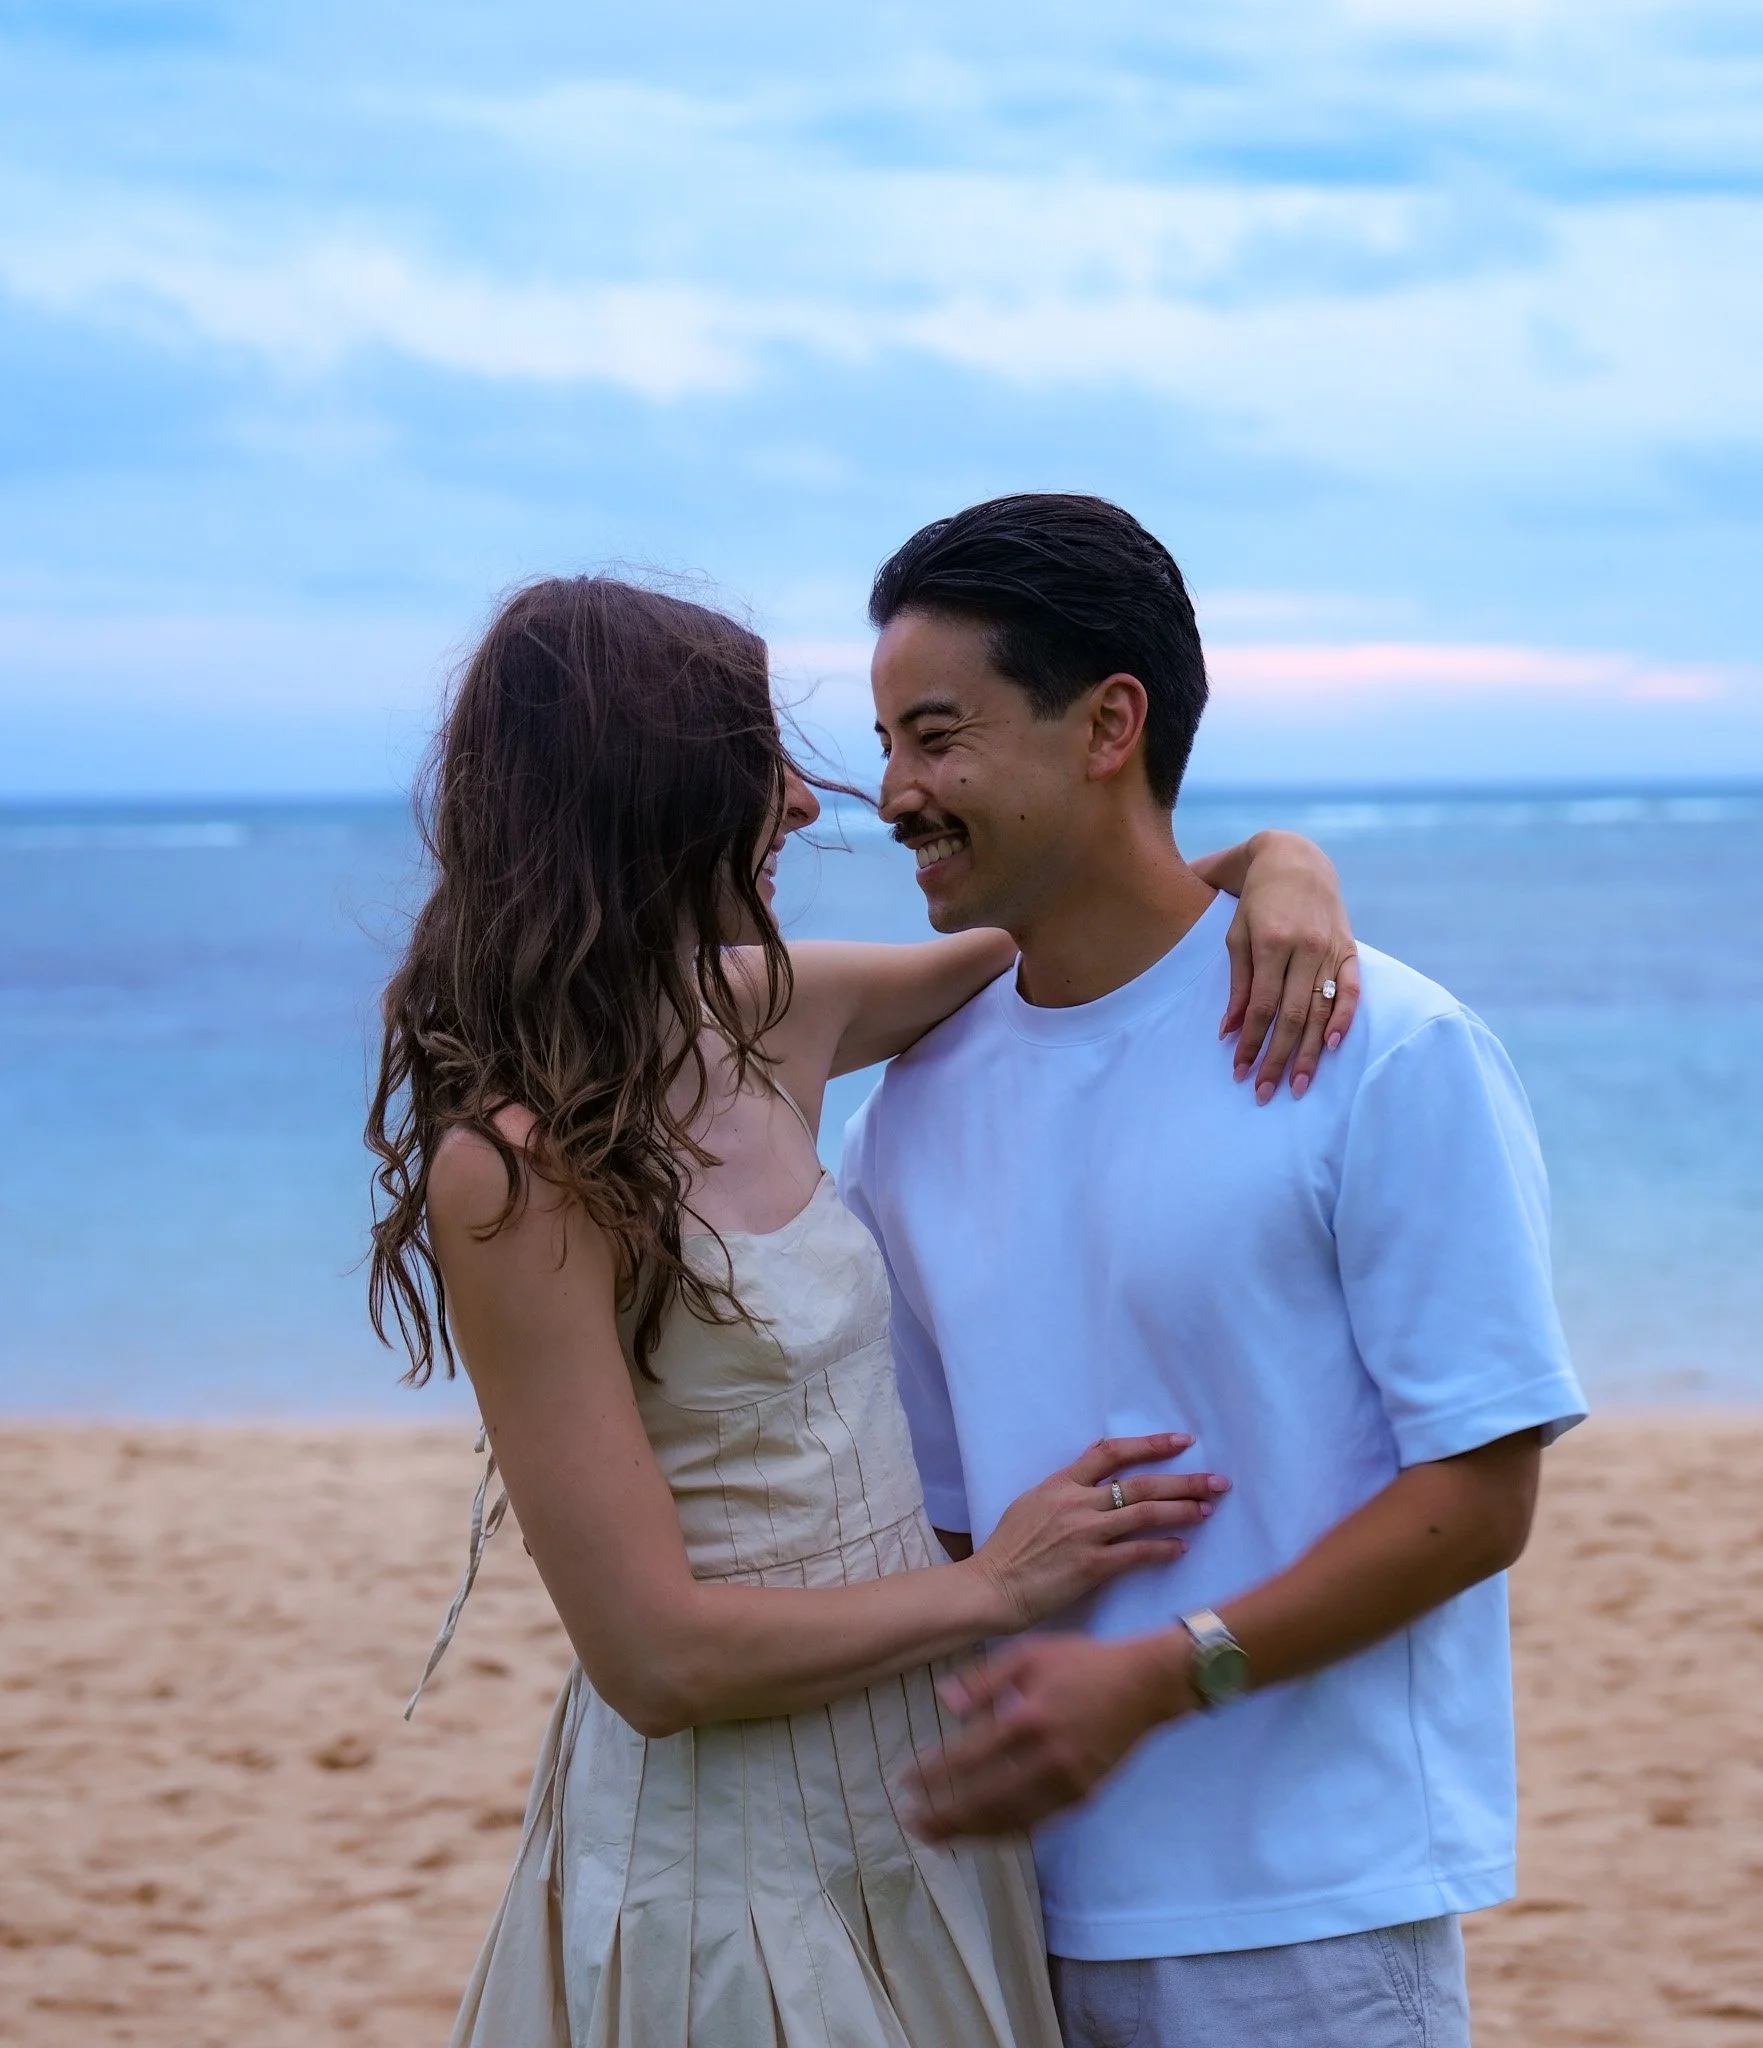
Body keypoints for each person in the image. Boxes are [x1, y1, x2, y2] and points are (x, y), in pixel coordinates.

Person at [366, 573, 1361, 2047]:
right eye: (756, 766)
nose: (809, 807)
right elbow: (654, 1660)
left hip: (919, 1791)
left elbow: (1089, 925)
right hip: (723, 1843)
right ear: (652, 791)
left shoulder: (768, 1012)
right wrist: (996, 1588)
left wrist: (1286, 861)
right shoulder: (511, 1171)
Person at [838, 494, 1589, 2048]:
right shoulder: (904, 1110)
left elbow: (1479, 1494)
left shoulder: (1383, 1046)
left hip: (1304, 1913)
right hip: (996, 1912)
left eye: (935, 736)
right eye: (887, 742)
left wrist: (1160, 1678)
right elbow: (949, 1517)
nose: (893, 793)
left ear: (1108, 722)